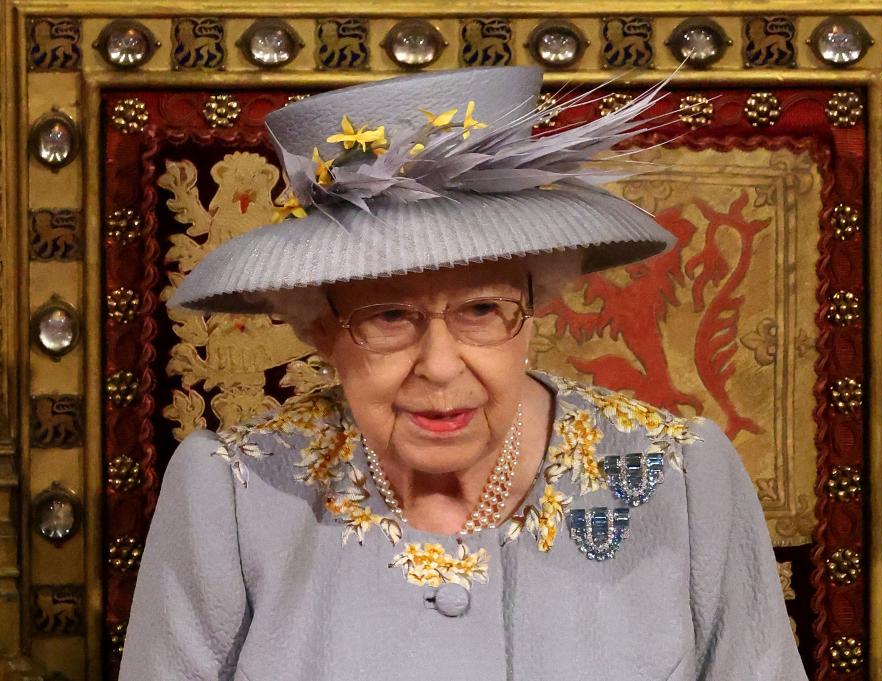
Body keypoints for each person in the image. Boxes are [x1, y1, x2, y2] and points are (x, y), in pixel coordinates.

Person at [118, 65, 808, 680]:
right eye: (389, 317)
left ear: (535, 306)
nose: (441, 365)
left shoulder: (684, 483)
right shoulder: (232, 498)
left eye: (482, 308)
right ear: (321, 329)